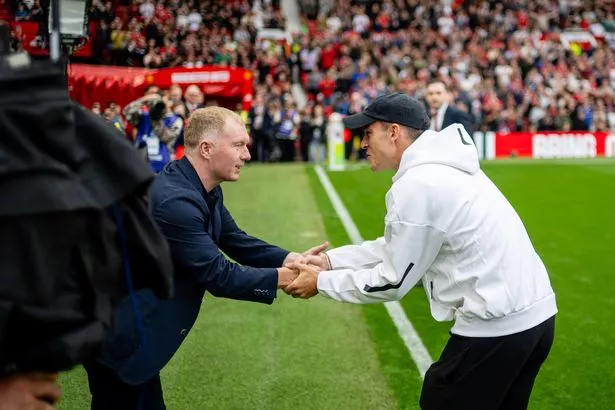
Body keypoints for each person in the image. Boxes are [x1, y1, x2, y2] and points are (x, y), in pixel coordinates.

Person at [285, 92, 557, 410]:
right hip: (537, 317)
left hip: (499, 325)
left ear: (394, 132)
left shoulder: (417, 184)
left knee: (438, 399)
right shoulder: (443, 168)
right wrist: (331, 261)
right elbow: (402, 247)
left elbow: (393, 279)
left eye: (367, 133)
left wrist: (320, 283)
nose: (361, 144)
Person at [85, 106, 327, 409]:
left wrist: (293, 257)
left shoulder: (201, 187)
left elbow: (234, 239)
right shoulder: (176, 202)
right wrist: (293, 276)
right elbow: (219, 275)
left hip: (139, 335)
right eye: (238, 145)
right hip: (123, 339)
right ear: (206, 149)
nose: (247, 155)